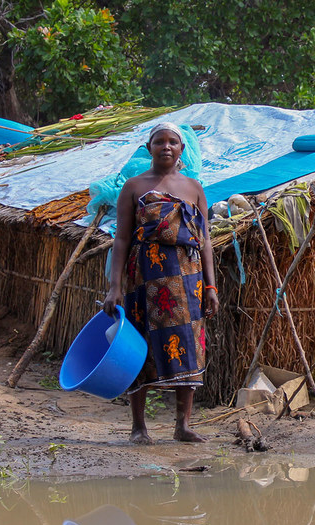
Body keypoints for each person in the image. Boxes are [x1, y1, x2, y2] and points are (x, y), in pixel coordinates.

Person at [103, 122, 220, 444]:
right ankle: (138, 427)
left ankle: (182, 425)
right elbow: (122, 238)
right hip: (144, 279)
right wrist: (114, 286)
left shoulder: (194, 187)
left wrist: (211, 286)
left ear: (183, 149)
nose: (166, 146)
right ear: (149, 148)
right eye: (159, 141)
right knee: (139, 347)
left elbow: (205, 241)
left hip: (189, 280)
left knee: (189, 345)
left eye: (173, 142)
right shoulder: (133, 186)